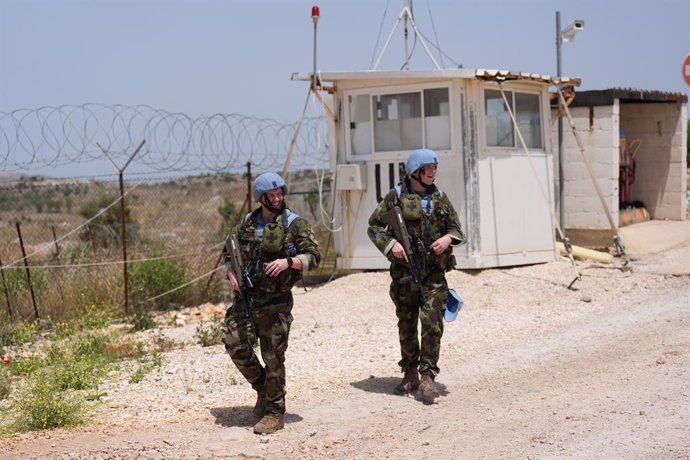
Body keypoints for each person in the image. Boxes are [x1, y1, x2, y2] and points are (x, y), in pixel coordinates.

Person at [222, 172, 320, 434]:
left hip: (276, 303)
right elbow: (227, 256)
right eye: (272, 195)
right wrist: (231, 274)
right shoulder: (246, 225)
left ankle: (275, 413)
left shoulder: (294, 225)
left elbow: (313, 255)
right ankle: (264, 389)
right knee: (235, 343)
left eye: (280, 193)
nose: (278, 198)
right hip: (246, 299)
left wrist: (288, 262)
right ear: (261, 198)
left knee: (273, 356)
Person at [367, 148, 465, 401]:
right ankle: (409, 371)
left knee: (433, 323)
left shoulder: (440, 198)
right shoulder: (396, 196)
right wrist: (391, 245)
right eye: (429, 167)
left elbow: (457, 229)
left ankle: (427, 375)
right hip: (404, 274)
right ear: (416, 172)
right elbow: (375, 225)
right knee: (407, 322)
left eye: (435, 167)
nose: (434, 171)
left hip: (433, 273)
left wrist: (446, 239)